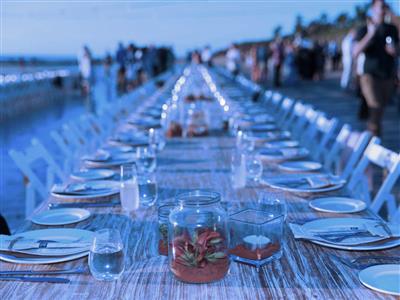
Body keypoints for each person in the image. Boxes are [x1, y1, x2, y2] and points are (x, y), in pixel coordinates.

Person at [353, 0, 399, 136]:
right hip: (370, 77)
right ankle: (372, 143)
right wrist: (370, 34)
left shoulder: (392, 29)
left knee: (379, 112)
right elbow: (355, 51)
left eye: (386, 7)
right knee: (376, 108)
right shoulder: (364, 29)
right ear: (373, 8)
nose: (384, 9)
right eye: (381, 6)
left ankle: (372, 139)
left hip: (387, 76)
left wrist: (394, 50)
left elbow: (398, 50)